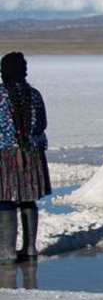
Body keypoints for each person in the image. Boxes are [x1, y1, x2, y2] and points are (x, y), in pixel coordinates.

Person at [0, 52, 51, 264]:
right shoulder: (35, 94)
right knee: (28, 199)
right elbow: (42, 124)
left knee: (5, 200)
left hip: (5, 156)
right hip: (32, 154)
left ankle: (7, 252)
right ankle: (29, 248)